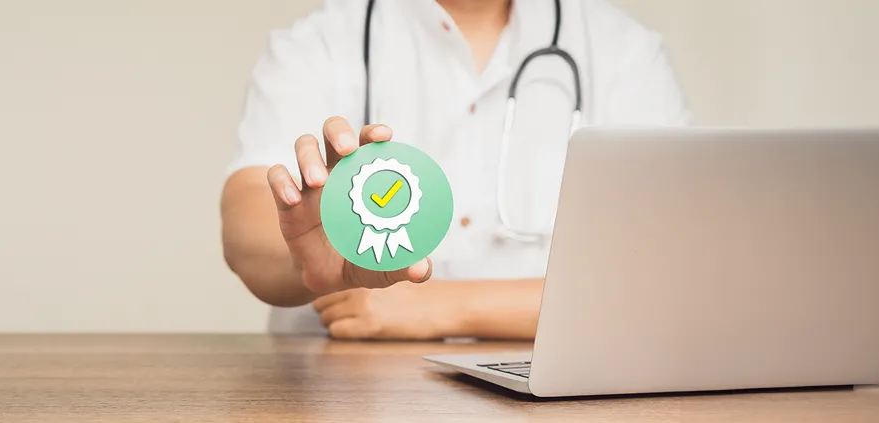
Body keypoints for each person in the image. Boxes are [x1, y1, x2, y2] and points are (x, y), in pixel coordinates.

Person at [220, 0, 690, 340]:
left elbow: (668, 277)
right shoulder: (317, 44)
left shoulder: (625, 52)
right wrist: (305, 256)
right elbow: (248, 225)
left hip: (559, 394)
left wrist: (443, 306)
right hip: (341, 394)